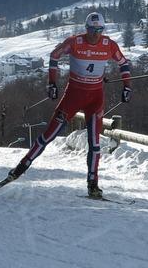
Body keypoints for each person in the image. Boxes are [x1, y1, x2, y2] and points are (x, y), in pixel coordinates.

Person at [8, 11, 132, 197]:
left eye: (99, 30)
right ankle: (21, 167)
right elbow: (54, 55)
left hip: (95, 98)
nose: (95, 34)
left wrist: (127, 87)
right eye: (92, 29)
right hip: (73, 96)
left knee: (95, 144)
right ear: (86, 28)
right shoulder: (75, 42)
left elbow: (124, 63)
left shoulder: (109, 45)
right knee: (49, 135)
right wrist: (52, 82)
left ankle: (93, 183)